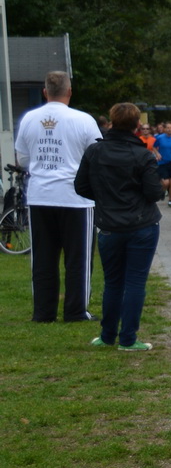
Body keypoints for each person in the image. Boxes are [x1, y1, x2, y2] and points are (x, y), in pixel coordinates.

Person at [74, 102, 162, 351]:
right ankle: (128, 339)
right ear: (137, 126)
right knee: (135, 282)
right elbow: (154, 192)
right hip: (141, 224)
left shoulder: (94, 152)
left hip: (109, 226)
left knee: (113, 282)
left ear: (111, 124)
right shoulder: (143, 154)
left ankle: (107, 335)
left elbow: (81, 187)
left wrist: (105, 199)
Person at [14, 71, 101, 322]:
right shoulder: (83, 120)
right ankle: (75, 310)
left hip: (40, 194)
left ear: (45, 92)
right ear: (69, 91)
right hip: (75, 196)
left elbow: (23, 159)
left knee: (43, 258)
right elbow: (96, 157)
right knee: (78, 259)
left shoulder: (30, 118)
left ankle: (43, 311)